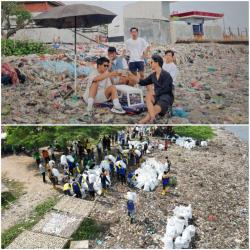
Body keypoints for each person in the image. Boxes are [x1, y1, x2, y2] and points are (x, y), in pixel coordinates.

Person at [131, 55, 174, 124]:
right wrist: (135, 78)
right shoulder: (153, 75)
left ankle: (141, 122)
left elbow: (167, 89)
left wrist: (155, 92)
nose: (150, 64)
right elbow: (143, 82)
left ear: (156, 63)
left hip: (166, 97)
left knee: (155, 109)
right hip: (157, 97)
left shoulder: (166, 75)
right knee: (148, 96)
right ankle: (153, 117)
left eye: (151, 62)